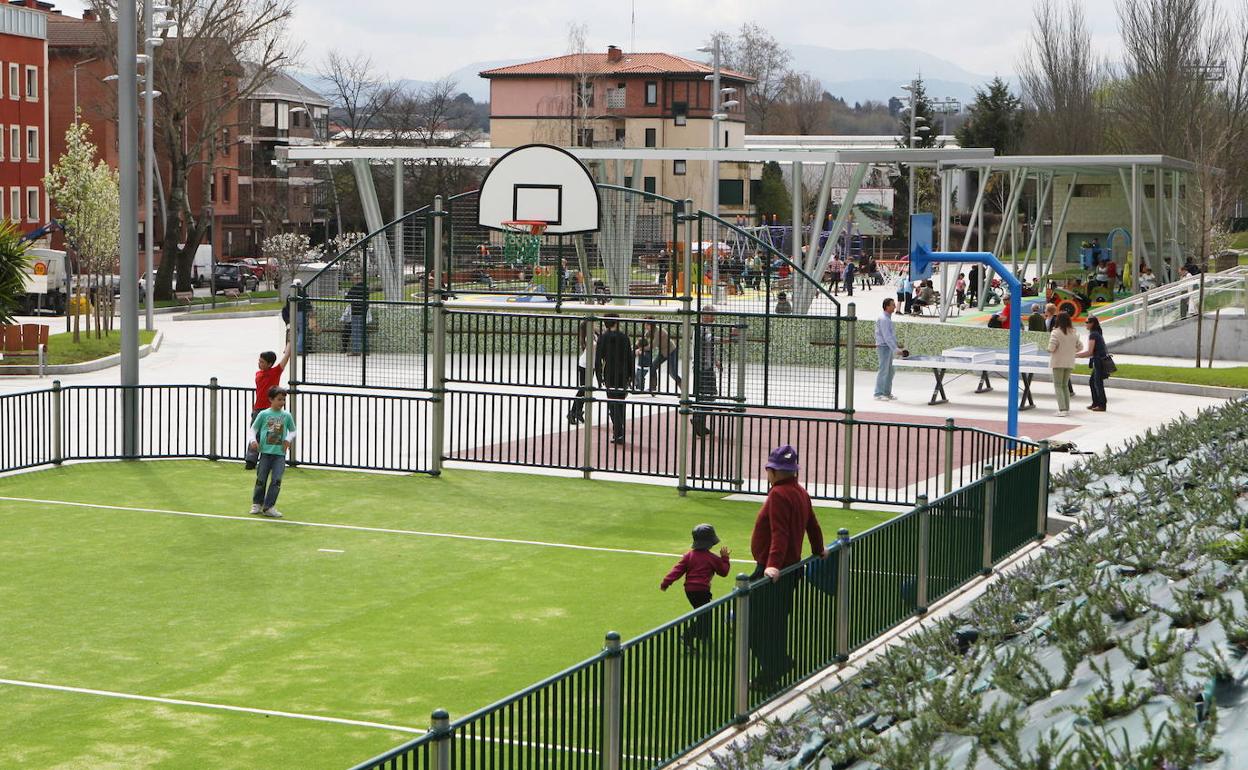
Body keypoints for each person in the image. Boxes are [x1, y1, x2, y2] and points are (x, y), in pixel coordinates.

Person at [749, 445, 827, 690]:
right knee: (776, 622)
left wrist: (772, 566)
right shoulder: (800, 492)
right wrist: (818, 548)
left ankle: (773, 669)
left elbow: (779, 533)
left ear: (772, 471)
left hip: (773, 571)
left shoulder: (778, 495)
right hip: (790, 569)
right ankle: (778, 662)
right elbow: (812, 525)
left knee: (756, 625)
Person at [660, 524, 732, 653]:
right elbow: (724, 571)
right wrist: (725, 558)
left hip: (690, 591)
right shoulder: (712, 558)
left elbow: (677, 571)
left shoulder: (689, 556)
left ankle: (703, 636)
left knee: (703, 614)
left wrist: (666, 583)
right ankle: (687, 636)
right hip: (703, 591)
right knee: (704, 616)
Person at [248, 386, 297, 518]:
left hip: (279, 454)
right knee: (261, 479)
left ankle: (269, 506)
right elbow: (253, 429)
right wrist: (253, 440)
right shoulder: (263, 414)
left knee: (276, 480)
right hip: (265, 453)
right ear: (271, 399)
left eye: (283, 400)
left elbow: (293, 431)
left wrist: (287, 439)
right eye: (279, 399)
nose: (282, 402)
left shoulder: (286, 416)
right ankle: (257, 503)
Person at [244, 345, 291, 470]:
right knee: (256, 434)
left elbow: (286, 358)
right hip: (259, 408)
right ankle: (251, 460)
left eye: (262, 362)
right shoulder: (259, 373)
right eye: (259, 361)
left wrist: (289, 344)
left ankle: (268, 461)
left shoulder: (274, 372)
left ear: (270, 364)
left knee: (272, 436)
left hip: (271, 410)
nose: (259, 363)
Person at [595, 315, 634, 444]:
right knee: (621, 402)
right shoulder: (624, 337)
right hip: (623, 373)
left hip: (609, 373)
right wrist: (631, 375)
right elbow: (630, 357)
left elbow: (598, 358)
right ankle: (619, 430)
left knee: (612, 402)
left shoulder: (603, 338)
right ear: (616, 323)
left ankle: (618, 431)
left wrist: (599, 376)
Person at [691, 307, 719, 438]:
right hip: (703, 368)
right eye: (712, 315)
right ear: (705, 315)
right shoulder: (701, 329)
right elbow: (710, 339)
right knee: (709, 395)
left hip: (703, 367)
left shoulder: (703, 328)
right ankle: (698, 419)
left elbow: (708, 346)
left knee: (706, 395)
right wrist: (729, 338)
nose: (714, 318)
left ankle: (699, 421)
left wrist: (715, 360)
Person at [1048, 311, 1079, 417]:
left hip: (1058, 362)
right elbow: (1080, 346)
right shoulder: (1074, 332)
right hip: (1069, 362)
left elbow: (1051, 348)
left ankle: (1062, 409)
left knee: (1058, 386)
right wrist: (1071, 350)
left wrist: (1048, 349)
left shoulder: (1055, 332)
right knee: (1065, 385)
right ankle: (1067, 408)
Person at [1075, 315, 1109, 412]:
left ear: (1092, 323)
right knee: (1093, 382)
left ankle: (1102, 405)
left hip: (1099, 361)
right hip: (1099, 360)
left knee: (1098, 383)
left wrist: (1075, 355)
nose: (1085, 324)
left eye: (1087, 322)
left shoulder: (1093, 335)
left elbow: (1089, 352)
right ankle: (1096, 403)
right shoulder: (1096, 333)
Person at [567, 318, 597, 425]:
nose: (595, 325)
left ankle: (578, 411)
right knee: (583, 389)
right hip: (585, 365)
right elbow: (593, 346)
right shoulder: (587, 336)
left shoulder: (594, 334)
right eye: (593, 324)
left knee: (585, 390)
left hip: (591, 365)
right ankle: (572, 412)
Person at [875, 297, 905, 400]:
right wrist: (895, 349)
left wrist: (894, 348)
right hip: (884, 347)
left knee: (890, 371)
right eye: (893, 305)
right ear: (887, 306)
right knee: (883, 370)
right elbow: (887, 337)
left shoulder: (887, 319)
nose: (895, 306)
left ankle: (886, 393)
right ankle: (878, 394)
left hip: (888, 347)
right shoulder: (884, 319)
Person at [646, 318, 681, 392]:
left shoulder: (658, 331)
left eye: (647, 324)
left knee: (672, 373)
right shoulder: (651, 331)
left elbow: (653, 345)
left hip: (671, 351)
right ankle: (653, 388)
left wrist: (642, 348)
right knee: (653, 367)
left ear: (651, 325)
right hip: (663, 352)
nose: (645, 326)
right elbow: (645, 338)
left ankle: (683, 390)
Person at [343, 274, 369, 356]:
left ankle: (356, 350)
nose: (352, 281)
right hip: (364, 311)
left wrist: (347, 294)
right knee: (363, 331)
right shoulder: (366, 288)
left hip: (356, 311)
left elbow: (347, 298)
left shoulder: (354, 288)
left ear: (355, 279)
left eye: (353, 280)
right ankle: (366, 350)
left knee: (356, 332)